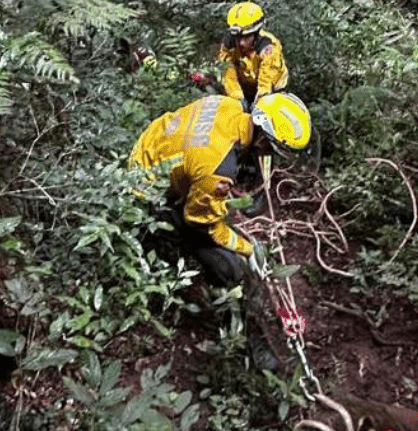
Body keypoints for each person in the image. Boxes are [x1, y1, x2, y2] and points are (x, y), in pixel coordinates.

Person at [128, 92, 310, 288]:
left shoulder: (227, 103)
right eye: (272, 149)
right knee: (230, 270)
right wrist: (247, 250)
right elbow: (200, 223)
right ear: (262, 139)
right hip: (144, 182)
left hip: (154, 141)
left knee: (212, 202)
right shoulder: (217, 171)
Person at [218, 2, 289, 109]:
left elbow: (266, 81)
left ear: (256, 33)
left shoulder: (269, 47)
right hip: (244, 87)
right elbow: (228, 73)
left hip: (272, 89)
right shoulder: (229, 44)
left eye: (246, 37)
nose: (241, 43)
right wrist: (238, 98)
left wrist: (259, 102)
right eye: (238, 37)